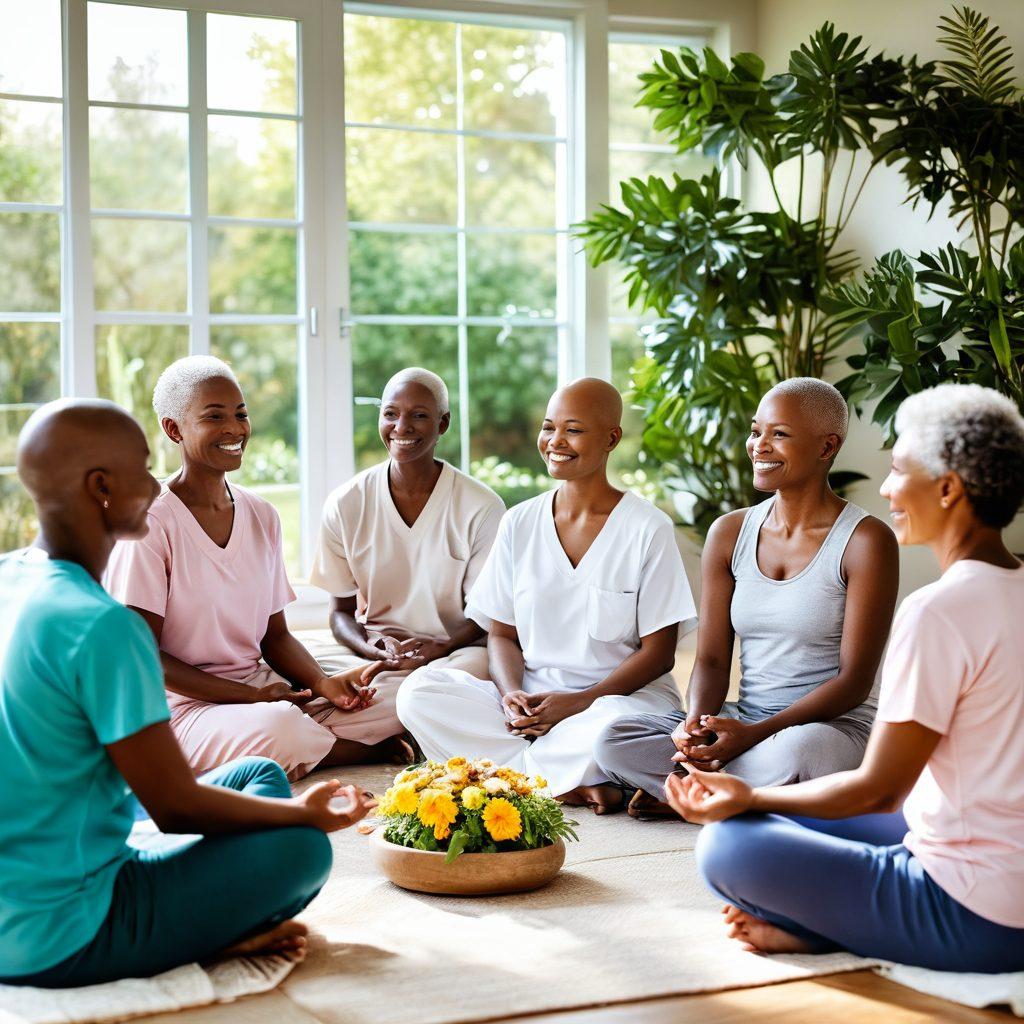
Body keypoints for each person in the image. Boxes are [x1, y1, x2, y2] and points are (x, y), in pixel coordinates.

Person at [0, 399, 375, 988]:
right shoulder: (103, 624)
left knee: (258, 774)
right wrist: (303, 814)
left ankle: (208, 918)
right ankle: (212, 934)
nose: (155, 484)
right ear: (101, 486)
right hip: (56, 930)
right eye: (142, 467)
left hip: (41, 874)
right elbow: (174, 809)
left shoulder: (12, 575)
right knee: (303, 848)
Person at [667, 384, 1024, 973]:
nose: (885, 489)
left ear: (947, 489)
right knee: (790, 814)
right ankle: (829, 919)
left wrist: (749, 795)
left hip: (981, 914)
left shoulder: (937, 611)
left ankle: (825, 930)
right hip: (988, 859)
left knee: (729, 842)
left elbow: (881, 790)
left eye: (898, 471)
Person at [595, 378, 898, 817]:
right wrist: (696, 727)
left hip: (828, 729)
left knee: (805, 752)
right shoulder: (730, 532)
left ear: (827, 446)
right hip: (744, 720)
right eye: (756, 431)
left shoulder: (866, 540)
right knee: (613, 739)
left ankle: (693, 792)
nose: (759, 446)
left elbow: (854, 681)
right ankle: (731, 793)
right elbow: (711, 660)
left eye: (780, 434)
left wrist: (754, 736)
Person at [396, 378, 697, 813]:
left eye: (573, 430)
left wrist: (579, 702)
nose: (555, 441)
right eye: (548, 427)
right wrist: (511, 695)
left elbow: (659, 654)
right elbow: (502, 634)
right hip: (533, 704)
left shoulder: (648, 528)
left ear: (612, 438)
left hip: (616, 702)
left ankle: (512, 780)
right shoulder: (519, 522)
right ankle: (562, 781)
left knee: (612, 733)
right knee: (419, 693)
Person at [106, 356, 403, 781]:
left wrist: (324, 684)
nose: (234, 428)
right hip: (182, 710)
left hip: (261, 691)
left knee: (401, 695)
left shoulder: (262, 515)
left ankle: (305, 742)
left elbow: (275, 636)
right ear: (174, 429)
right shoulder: (149, 524)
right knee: (280, 726)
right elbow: (142, 657)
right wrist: (250, 698)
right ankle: (349, 750)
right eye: (214, 416)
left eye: (241, 414)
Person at [305, 367, 505, 695]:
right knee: (308, 680)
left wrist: (439, 648)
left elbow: (486, 616)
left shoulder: (481, 507)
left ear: (443, 423)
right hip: (374, 648)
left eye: (419, 415)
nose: (401, 427)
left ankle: (389, 712)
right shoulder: (346, 502)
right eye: (390, 414)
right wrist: (370, 648)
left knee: (428, 692)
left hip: (455, 651)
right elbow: (340, 613)